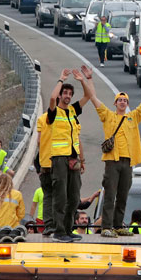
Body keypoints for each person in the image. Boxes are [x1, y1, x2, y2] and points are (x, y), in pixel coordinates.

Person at [89, 66, 141, 235]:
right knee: (110, 195)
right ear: (115, 103)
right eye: (119, 100)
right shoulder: (108, 116)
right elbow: (93, 98)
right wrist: (89, 79)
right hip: (112, 161)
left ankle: (118, 226)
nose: (122, 102)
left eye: (125, 100)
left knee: (123, 195)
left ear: (127, 104)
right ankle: (106, 227)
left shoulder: (132, 117)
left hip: (127, 162)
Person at [45, 69, 91, 241]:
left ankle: (68, 228)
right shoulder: (54, 111)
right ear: (60, 95)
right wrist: (61, 79)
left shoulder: (72, 111)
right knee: (60, 196)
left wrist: (81, 80)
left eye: (70, 94)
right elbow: (51, 98)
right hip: (59, 159)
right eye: (65, 93)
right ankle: (59, 231)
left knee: (74, 196)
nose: (68, 96)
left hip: (74, 159)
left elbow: (88, 96)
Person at [34, 123, 54, 234]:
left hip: (45, 174)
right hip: (48, 174)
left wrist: (39, 172)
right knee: (52, 196)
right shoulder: (47, 148)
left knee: (49, 196)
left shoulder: (43, 147)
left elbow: (36, 161)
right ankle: (52, 223)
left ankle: (50, 224)